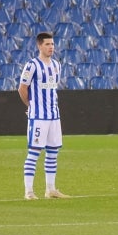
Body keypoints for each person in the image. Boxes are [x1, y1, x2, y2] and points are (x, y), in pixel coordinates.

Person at [19, 32, 69, 199]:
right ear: (39, 46)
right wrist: (31, 106)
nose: (51, 47)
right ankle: (29, 191)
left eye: (52, 44)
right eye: (47, 44)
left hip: (54, 116)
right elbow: (22, 88)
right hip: (38, 117)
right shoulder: (32, 65)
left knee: (53, 152)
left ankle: (50, 189)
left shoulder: (56, 65)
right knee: (34, 152)